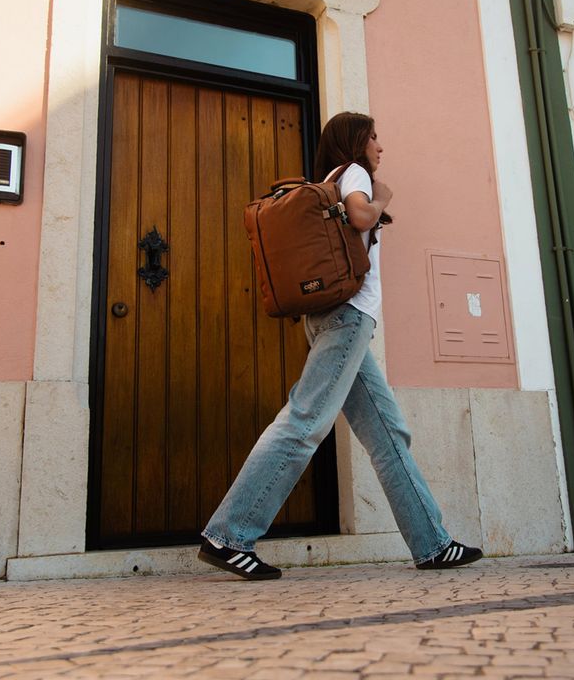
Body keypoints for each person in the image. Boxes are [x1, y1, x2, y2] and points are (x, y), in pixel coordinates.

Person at [198, 111, 483, 580]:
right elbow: (359, 214)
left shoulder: (331, 178)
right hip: (348, 319)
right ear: (355, 141)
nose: (380, 146)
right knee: (305, 419)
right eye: (374, 137)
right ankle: (227, 534)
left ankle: (432, 544)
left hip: (337, 319)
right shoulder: (354, 175)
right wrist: (383, 193)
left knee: (388, 434)